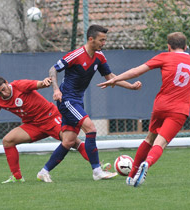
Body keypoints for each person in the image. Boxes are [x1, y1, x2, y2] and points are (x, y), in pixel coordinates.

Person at [98, 32, 190, 187]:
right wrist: (183, 99)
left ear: (169, 47)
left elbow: (137, 71)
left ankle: (132, 175)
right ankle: (147, 164)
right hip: (179, 110)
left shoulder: (165, 56)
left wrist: (115, 79)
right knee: (160, 144)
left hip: (160, 106)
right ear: (186, 46)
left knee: (149, 139)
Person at [37, 24, 142, 182]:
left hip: (77, 100)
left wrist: (131, 86)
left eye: (105, 40)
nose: (103, 43)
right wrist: (56, 90)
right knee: (91, 128)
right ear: (91, 39)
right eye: (101, 40)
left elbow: (110, 77)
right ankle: (97, 171)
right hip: (67, 99)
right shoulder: (76, 55)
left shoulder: (100, 56)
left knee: (69, 141)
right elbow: (53, 69)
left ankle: (44, 171)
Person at [0, 74, 90, 183]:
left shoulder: (19, 85)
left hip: (51, 117)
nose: (3, 94)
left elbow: (38, 84)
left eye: (3, 89)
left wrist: (45, 82)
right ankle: (17, 177)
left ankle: (98, 167)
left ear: (6, 82)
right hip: (33, 125)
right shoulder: (0, 101)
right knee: (8, 141)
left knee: (72, 142)